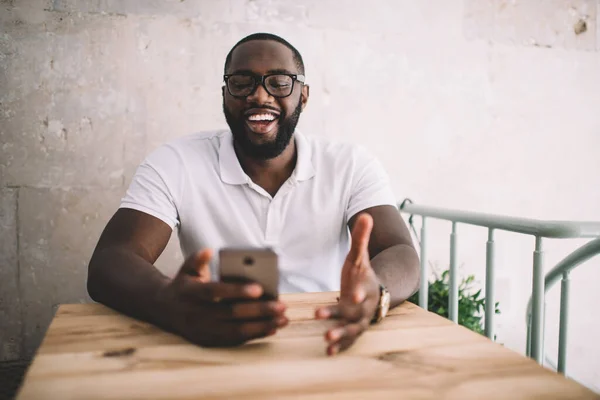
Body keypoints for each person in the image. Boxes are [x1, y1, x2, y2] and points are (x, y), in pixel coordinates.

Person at [87, 33, 420, 356]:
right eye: (242, 82)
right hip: (217, 337)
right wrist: (167, 302)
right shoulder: (176, 162)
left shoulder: (350, 164)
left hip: (325, 338)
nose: (260, 96)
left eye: (279, 82)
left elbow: (400, 250)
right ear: (224, 94)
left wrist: (376, 293)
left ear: (303, 95)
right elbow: (111, 260)